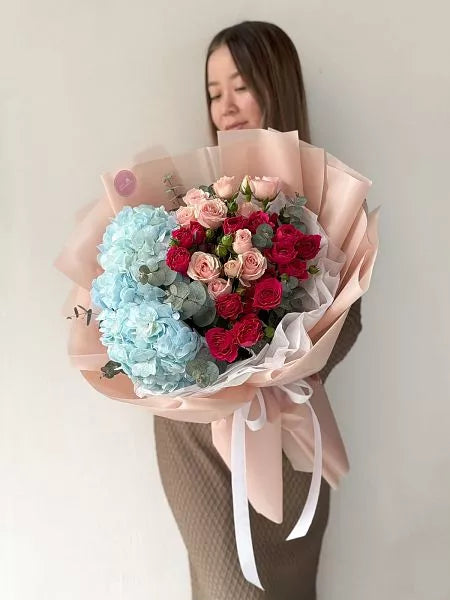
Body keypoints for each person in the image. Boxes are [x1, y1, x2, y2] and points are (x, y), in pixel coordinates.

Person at [154, 21, 362, 600]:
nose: (225, 107)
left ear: (277, 85)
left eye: (240, 86)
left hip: (287, 426)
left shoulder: (329, 196)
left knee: (286, 587)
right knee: (225, 587)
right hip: (196, 430)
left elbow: (351, 320)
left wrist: (287, 362)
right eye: (214, 93)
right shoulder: (192, 196)